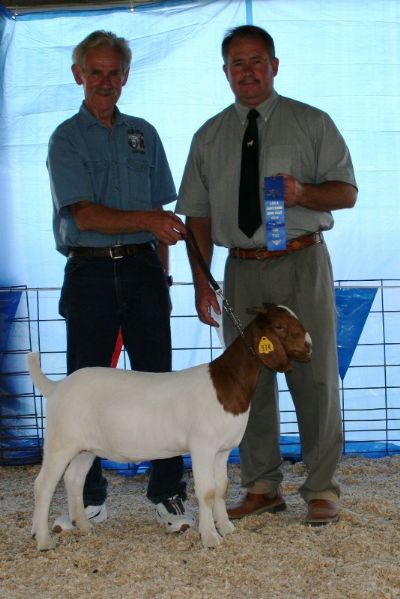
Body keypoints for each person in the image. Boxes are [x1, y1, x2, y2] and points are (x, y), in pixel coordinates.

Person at [176, 25, 357, 525]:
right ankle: (262, 486)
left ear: (274, 66)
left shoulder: (312, 122)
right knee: (244, 379)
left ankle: (321, 488)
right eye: (237, 63)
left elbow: (346, 193)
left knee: (314, 377)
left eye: (257, 61)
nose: (248, 71)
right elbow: (196, 216)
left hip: (302, 263)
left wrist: (302, 194)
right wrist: (200, 281)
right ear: (226, 72)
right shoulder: (208, 136)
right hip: (242, 271)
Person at [47, 30, 194, 534]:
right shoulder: (66, 138)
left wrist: (164, 278)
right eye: (96, 72)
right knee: (85, 388)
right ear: (78, 75)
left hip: (143, 271)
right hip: (88, 271)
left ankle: (169, 493)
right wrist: (149, 222)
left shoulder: (144, 134)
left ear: (126, 77)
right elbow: (84, 215)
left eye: (114, 73)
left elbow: (163, 219)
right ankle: (86, 497)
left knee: (162, 383)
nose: (105, 82)